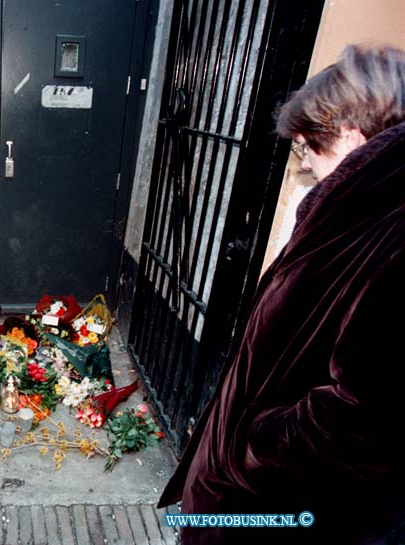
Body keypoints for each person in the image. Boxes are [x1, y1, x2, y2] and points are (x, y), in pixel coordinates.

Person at [158, 44, 405, 544]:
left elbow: (368, 414)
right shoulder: (352, 216)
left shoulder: (389, 239)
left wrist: (251, 446)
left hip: (278, 511)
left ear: (351, 140)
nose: (307, 166)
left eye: (308, 150)